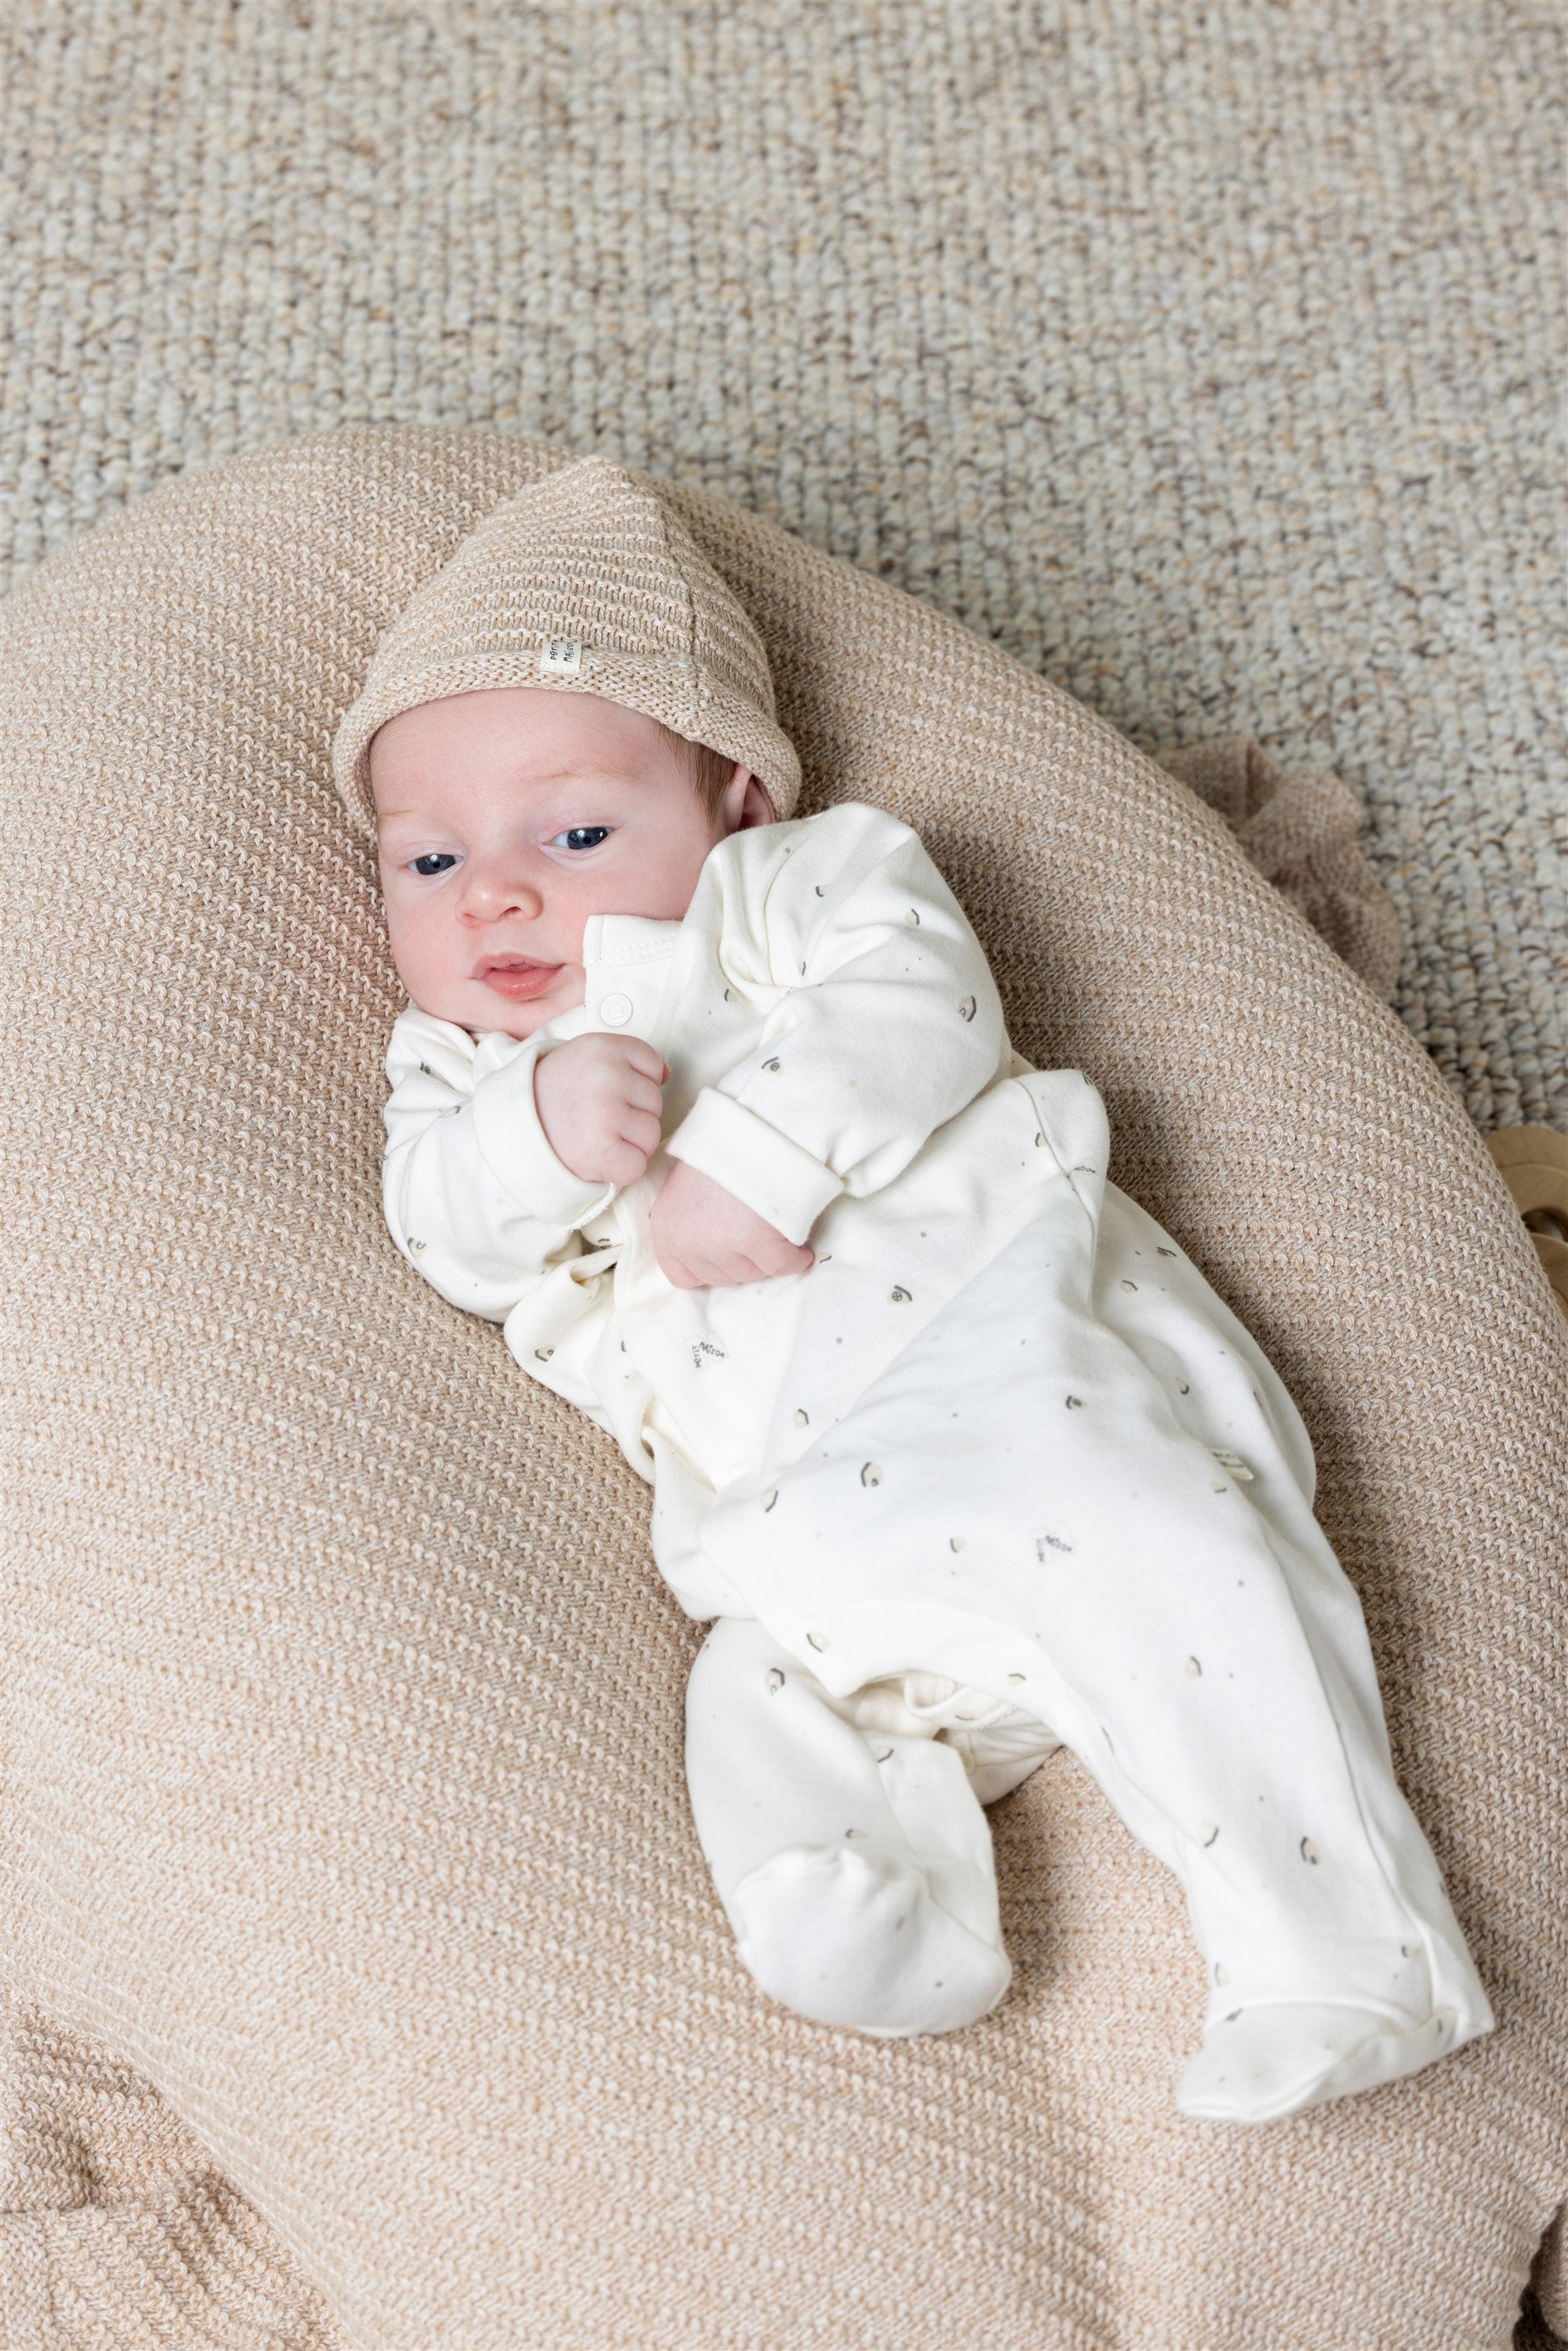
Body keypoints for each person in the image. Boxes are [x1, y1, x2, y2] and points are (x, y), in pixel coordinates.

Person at [332, 454, 1492, 2121]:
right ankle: (882, 1916)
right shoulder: (454, 1064)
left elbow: (917, 1003)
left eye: (574, 831)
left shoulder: (794, 896)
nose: (496, 892)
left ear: (735, 807)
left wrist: (760, 1157)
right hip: (790, 1537)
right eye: (423, 863)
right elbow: (440, 1226)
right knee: (748, 1697)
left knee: (1168, 1574)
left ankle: (1343, 1956)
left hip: (1007, 1374)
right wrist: (531, 1128)